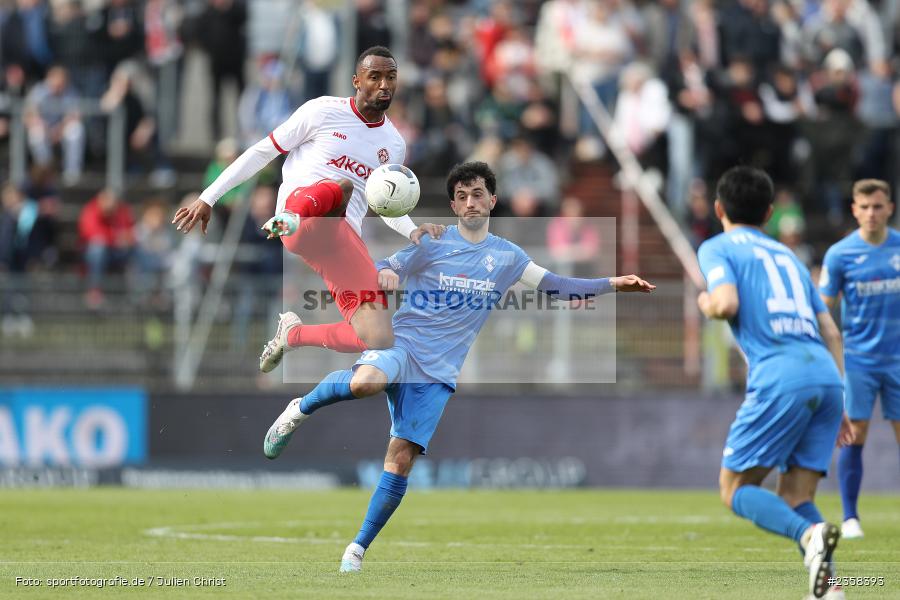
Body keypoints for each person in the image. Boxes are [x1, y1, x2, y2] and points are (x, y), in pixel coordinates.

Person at [260, 161, 655, 572]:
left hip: (437, 375)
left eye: (478, 194)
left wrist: (612, 284)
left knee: (400, 460)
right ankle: (299, 408)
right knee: (366, 383)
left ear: (493, 200)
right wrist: (388, 275)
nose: (470, 203)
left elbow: (559, 286)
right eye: (462, 196)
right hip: (402, 346)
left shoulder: (508, 256)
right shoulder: (430, 242)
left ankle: (355, 551)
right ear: (452, 204)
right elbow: (381, 267)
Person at [171, 46, 444, 367]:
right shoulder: (323, 111)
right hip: (299, 217)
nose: (384, 85)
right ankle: (288, 218)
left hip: (340, 238)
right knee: (339, 187)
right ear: (357, 81)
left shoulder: (394, 144)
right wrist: (208, 197)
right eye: (375, 77)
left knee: (378, 337)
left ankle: (292, 335)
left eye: (391, 77)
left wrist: (413, 231)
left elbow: (385, 204)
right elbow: (262, 151)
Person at [696, 166, 854, 600]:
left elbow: (726, 303)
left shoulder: (716, 247)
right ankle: (829, 587)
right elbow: (832, 332)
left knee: (735, 490)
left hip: (781, 374)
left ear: (718, 208)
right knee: (796, 492)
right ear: (769, 213)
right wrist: (841, 397)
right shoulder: (790, 256)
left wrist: (706, 301)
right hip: (826, 375)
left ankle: (808, 538)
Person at [819, 179, 900, 540]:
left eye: (878, 206)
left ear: (890, 209)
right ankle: (850, 518)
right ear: (854, 209)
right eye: (864, 207)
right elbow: (824, 310)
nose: (871, 213)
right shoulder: (839, 255)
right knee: (855, 433)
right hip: (859, 361)